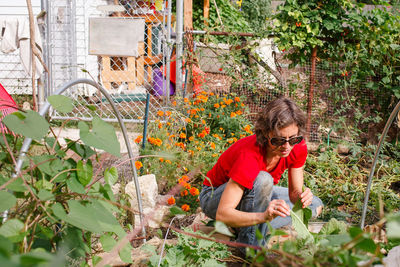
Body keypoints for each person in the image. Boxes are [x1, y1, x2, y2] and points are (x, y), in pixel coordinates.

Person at [199, 97, 323, 247]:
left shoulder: (297, 146)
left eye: (293, 139)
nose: (287, 146)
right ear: (265, 133)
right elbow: (223, 213)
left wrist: (302, 197)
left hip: (252, 194)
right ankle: (251, 247)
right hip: (214, 198)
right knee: (264, 179)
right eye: (279, 140)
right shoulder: (249, 155)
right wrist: (263, 216)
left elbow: (294, 194)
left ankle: (244, 225)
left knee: (314, 205)